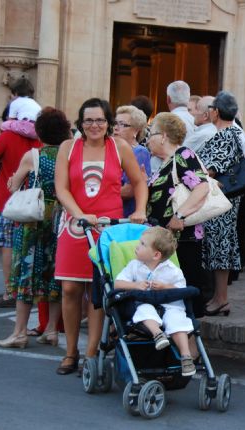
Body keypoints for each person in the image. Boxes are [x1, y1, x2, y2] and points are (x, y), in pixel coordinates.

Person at [54, 98, 147, 375]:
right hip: (75, 223)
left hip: (108, 227)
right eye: (88, 120)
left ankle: (91, 354)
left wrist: (140, 209)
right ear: (80, 122)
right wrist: (79, 213)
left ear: (108, 123)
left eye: (100, 120)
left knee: (99, 292)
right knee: (70, 288)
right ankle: (70, 351)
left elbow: (139, 181)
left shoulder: (118, 147)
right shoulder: (68, 148)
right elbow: (62, 188)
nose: (94, 125)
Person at [0, 107, 70, 349]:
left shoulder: (33, 155)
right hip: (59, 221)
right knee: (55, 275)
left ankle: (19, 333)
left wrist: (12, 180)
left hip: (33, 222)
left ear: (40, 131)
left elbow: (14, 185)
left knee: (25, 275)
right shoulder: (68, 155)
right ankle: (51, 330)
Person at [145, 112, 212, 317]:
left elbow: (202, 187)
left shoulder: (183, 155)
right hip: (169, 240)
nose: (148, 139)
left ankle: (191, 343)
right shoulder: (165, 163)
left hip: (184, 239)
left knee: (186, 289)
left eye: (151, 133)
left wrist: (179, 216)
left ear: (163, 136)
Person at [114, 226, 196, 377]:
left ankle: (186, 356)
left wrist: (165, 287)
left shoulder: (172, 270)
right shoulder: (134, 266)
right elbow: (118, 283)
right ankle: (158, 334)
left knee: (176, 319)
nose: (137, 246)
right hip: (145, 303)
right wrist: (135, 285)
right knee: (144, 310)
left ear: (156, 255)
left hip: (169, 305)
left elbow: (181, 289)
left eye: (142, 244)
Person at [0, 117, 42, 308]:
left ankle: (10, 292)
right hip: (34, 202)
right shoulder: (40, 136)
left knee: (7, 246)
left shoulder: (8, 136)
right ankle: (28, 290)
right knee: (29, 247)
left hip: (9, 200)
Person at [198, 91, 244, 316]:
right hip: (224, 201)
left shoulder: (225, 135)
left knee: (219, 247)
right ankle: (219, 297)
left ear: (215, 112)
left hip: (218, 202)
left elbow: (211, 169)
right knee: (220, 246)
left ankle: (221, 298)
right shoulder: (232, 133)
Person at [114, 105, 151, 217]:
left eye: (122, 124)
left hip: (126, 217)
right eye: (115, 123)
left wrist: (100, 192)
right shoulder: (111, 151)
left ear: (136, 130)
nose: (116, 128)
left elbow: (129, 190)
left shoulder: (140, 152)